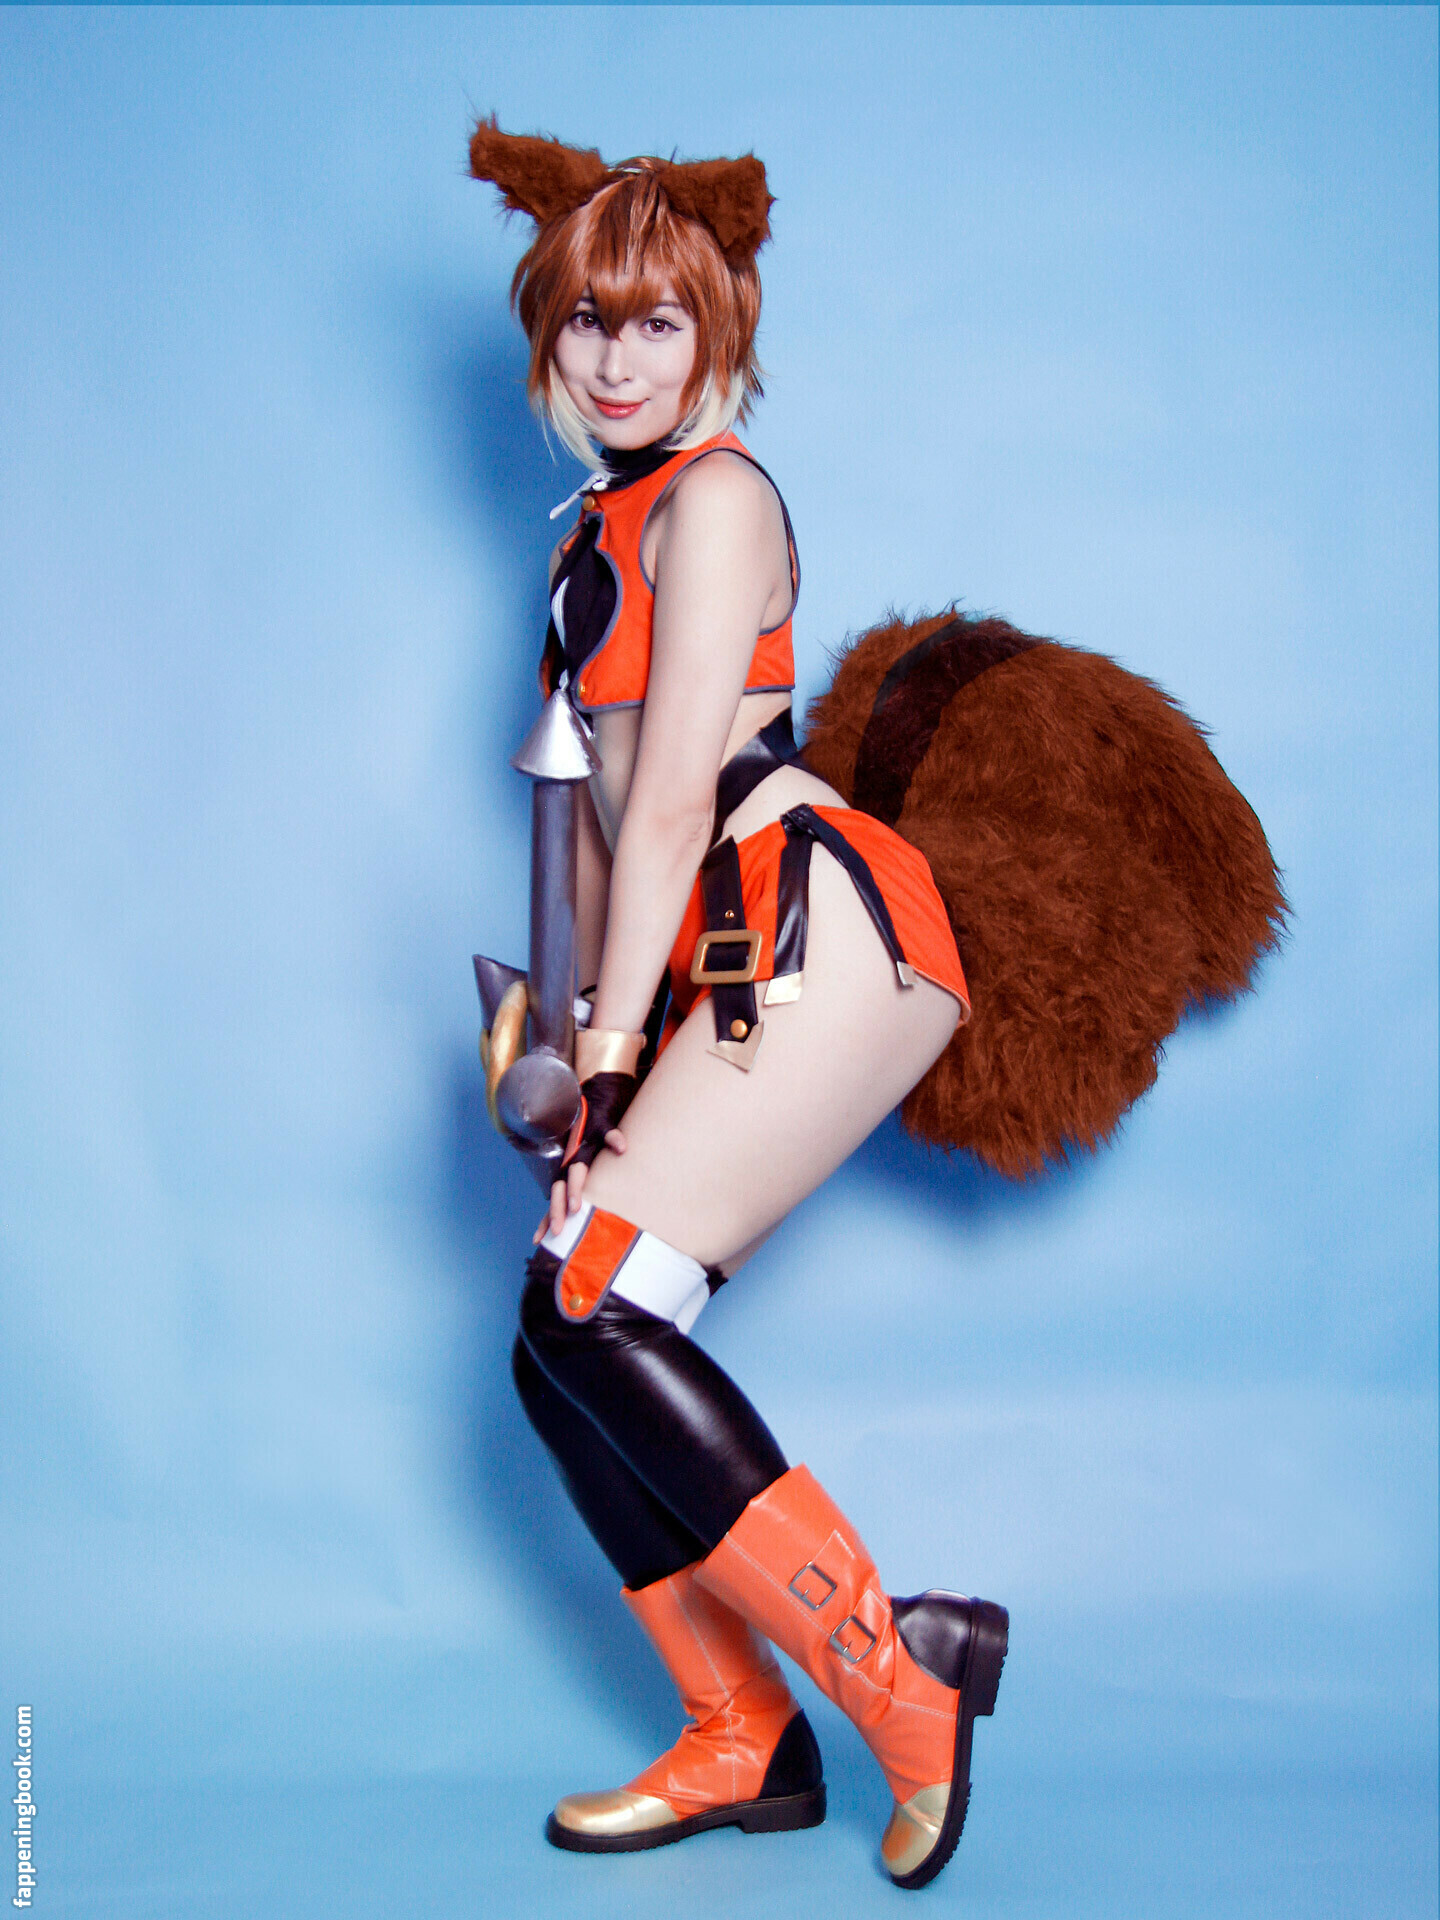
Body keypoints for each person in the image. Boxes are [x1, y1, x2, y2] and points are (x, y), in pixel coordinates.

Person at [469, 121, 1007, 1892]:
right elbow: (596, 831)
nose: (619, 361)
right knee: (560, 1342)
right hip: (713, 944)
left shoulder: (717, 498)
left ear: (717, 334)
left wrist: (608, 1061)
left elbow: (674, 802)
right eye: (588, 322)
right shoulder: (591, 528)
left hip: (814, 918)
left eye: (659, 325)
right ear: (547, 332)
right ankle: (743, 1738)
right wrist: (577, 1068)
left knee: (589, 1302)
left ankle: (902, 1681)